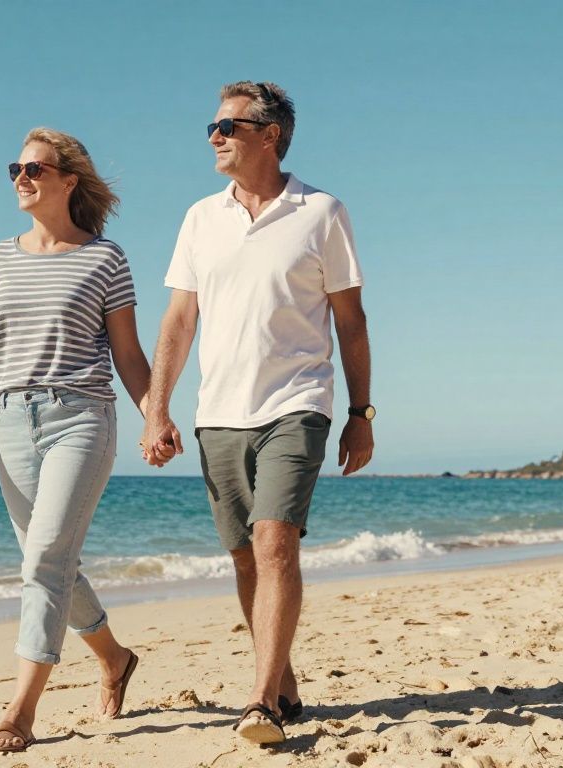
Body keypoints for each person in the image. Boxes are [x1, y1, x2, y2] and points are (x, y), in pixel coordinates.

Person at [142, 81, 374, 745]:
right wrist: (157, 410)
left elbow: (351, 321)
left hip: (296, 402)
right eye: (212, 126)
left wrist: (361, 411)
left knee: (276, 542)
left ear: (270, 136)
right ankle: (285, 680)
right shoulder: (199, 219)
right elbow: (179, 320)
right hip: (218, 410)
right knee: (246, 557)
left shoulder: (322, 212)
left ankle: (261, 701)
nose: (215, 136)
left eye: (229, 126)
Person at [0, 128, 149, 755]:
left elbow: (129, 355)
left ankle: (20, 711)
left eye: (35, 169)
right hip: (9, 423)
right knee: (51, 563)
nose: (21, 178)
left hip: (81, 417)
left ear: (67, 181)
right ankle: (115, 658)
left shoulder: (105, 258)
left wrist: (155, 416)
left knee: (43, 563)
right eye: (15, 168)